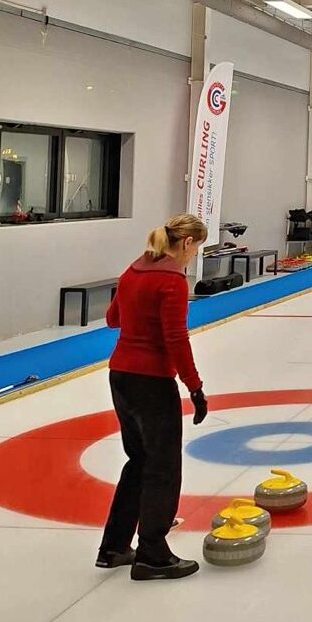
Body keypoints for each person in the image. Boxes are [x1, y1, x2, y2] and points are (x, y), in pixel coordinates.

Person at [98, 214, 209, 581]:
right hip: (151, 381)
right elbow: (175, 338)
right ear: (188, 243)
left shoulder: (133, 270)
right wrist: (195, 386)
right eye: (197, 248)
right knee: (162, 466)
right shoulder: (172, 280)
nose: (194, 257)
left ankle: (114, 546)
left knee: (139, 460)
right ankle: (152, 553)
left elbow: (112, 319)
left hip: (121, 377)